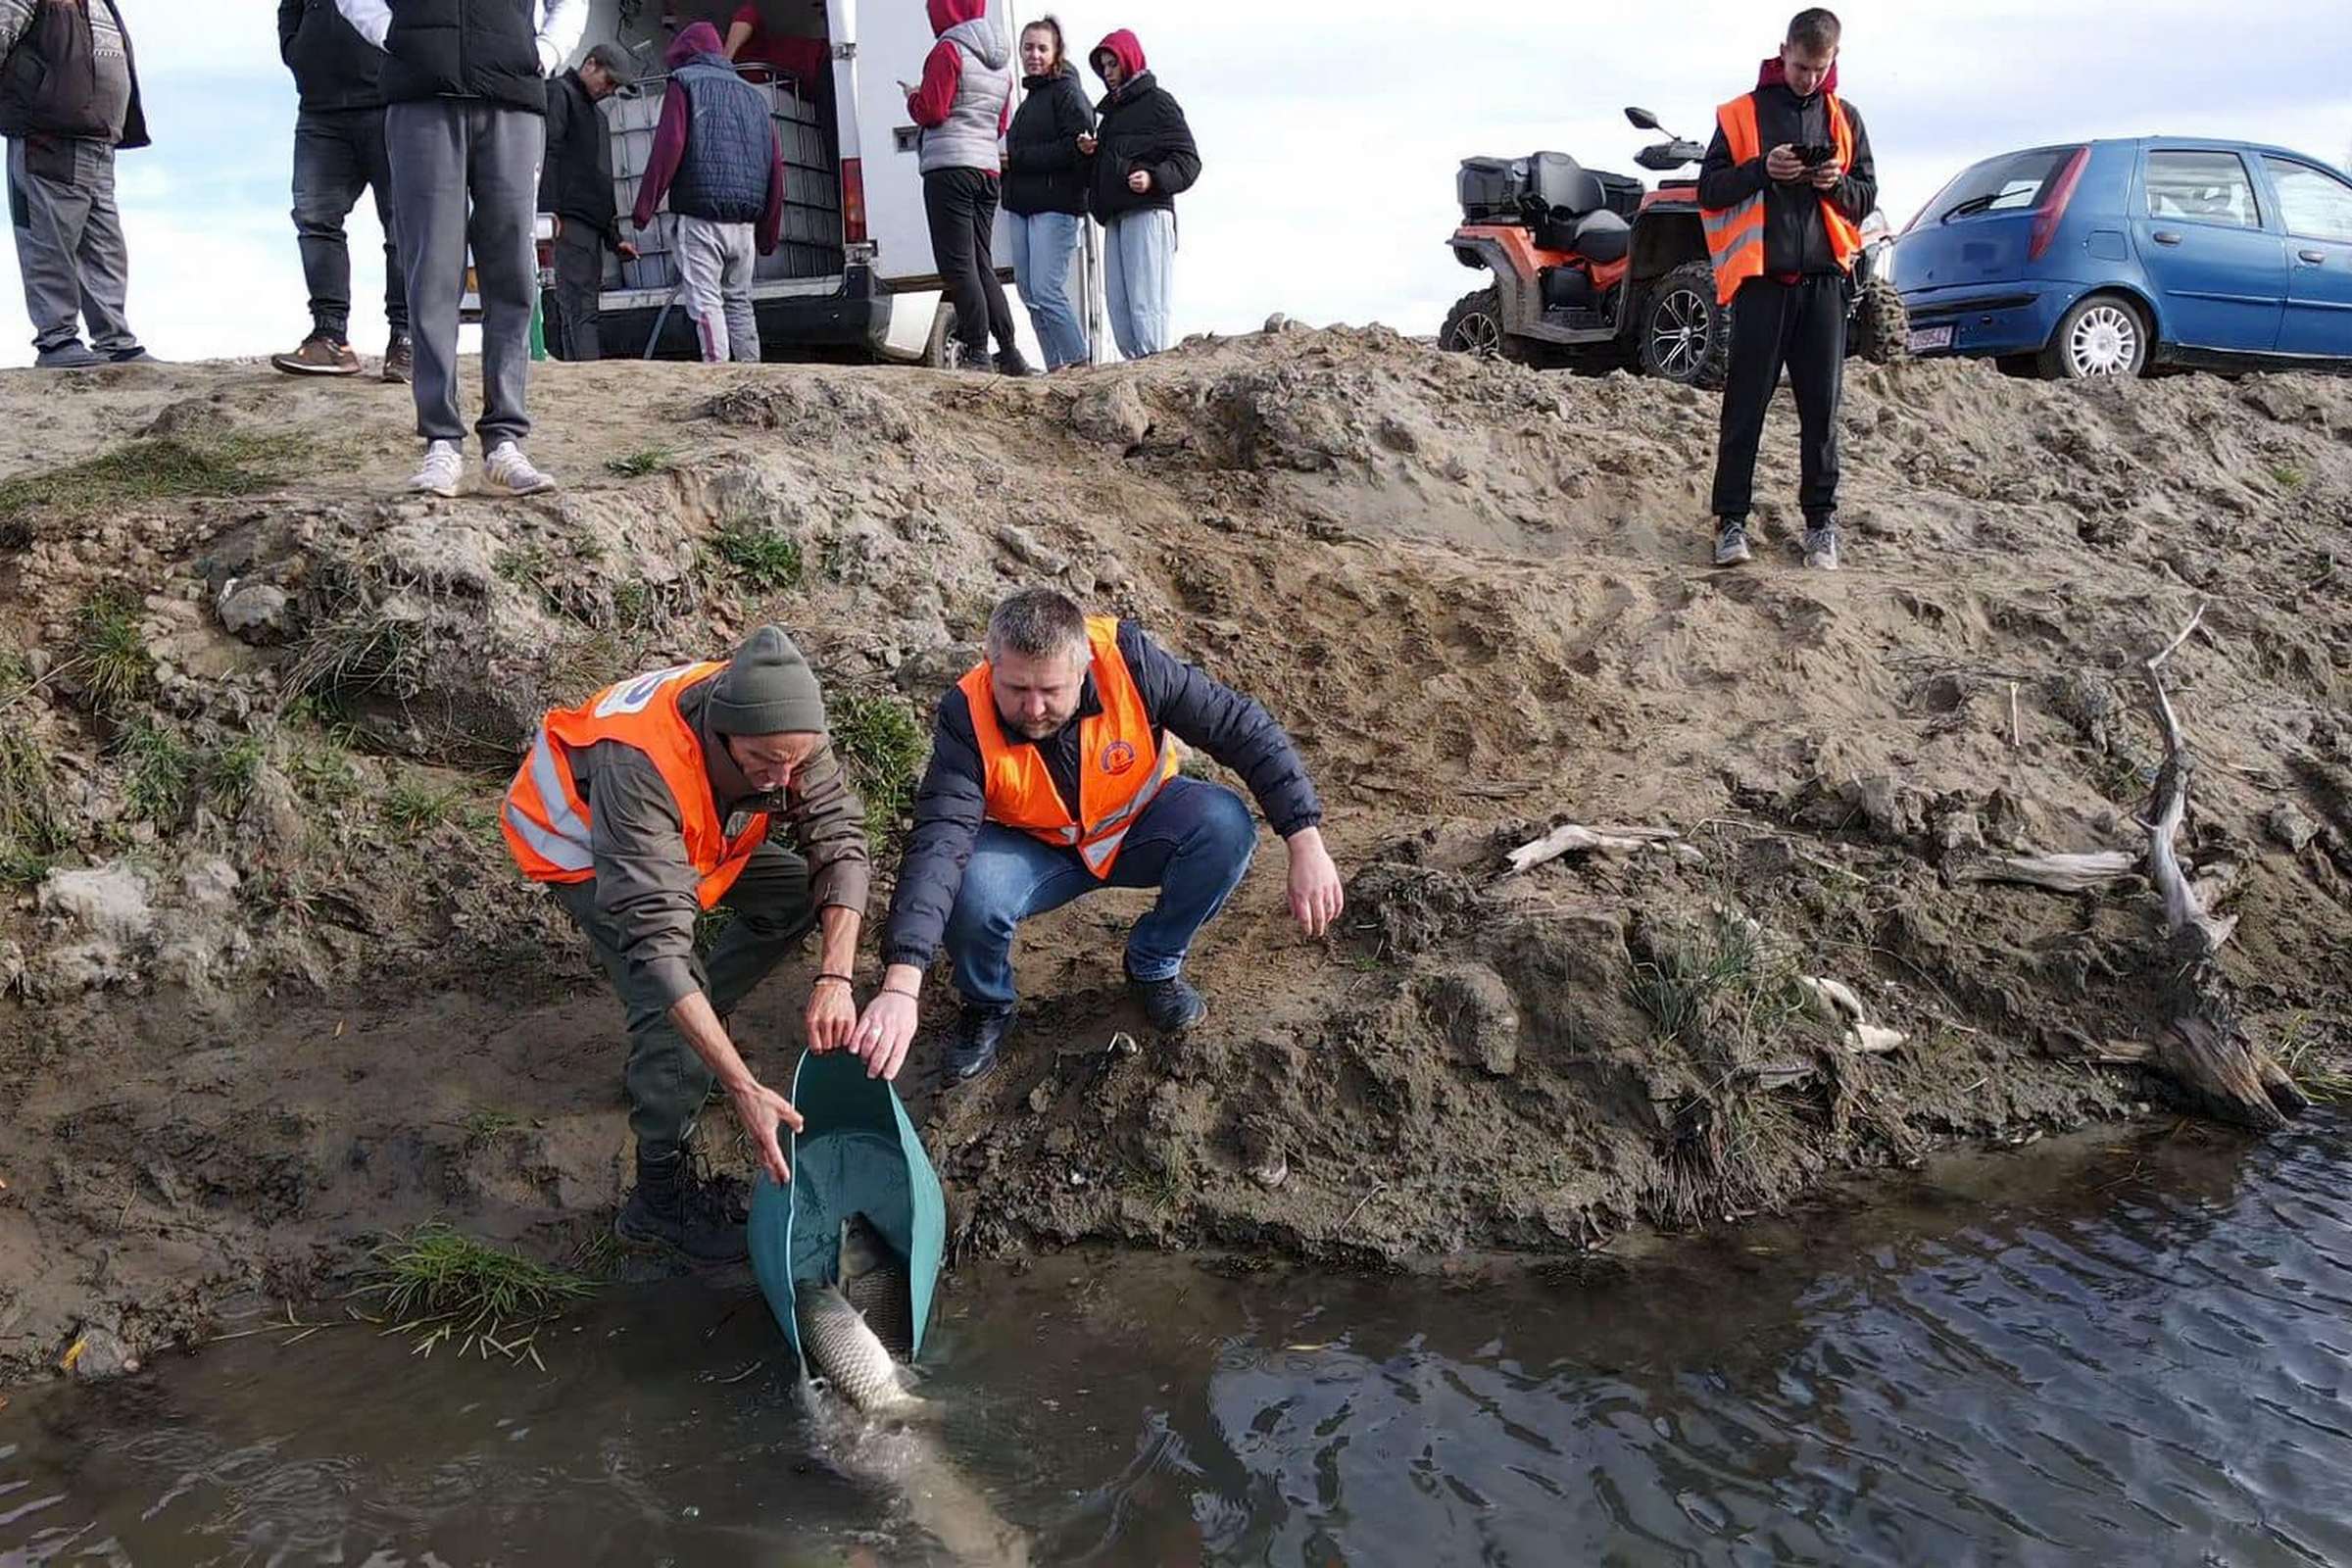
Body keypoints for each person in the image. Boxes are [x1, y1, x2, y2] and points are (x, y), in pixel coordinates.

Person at [848, 589, 1347, 1087]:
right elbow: (940, 841)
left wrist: (1305, 841)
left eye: (1051, 690)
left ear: (1083, 666)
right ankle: (987, 1004)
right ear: (990, 665)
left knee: (1224, 825)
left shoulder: (1130, 663)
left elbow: (1239, 727)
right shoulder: (965, 716)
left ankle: (1154, 962)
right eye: (1017, 688)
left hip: (1140, 831)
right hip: (1036, 851)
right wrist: (901, 984)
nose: (1034, 708)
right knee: (969, 888)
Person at [501, 627, 873, 1264]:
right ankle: (658, 1201)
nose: (786, 782)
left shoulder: (782, 718)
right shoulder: (639, 765)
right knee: (670, 1016)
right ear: (725, 737)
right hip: (585, 846)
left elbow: (839, 841)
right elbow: (660, 950)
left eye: (798, 761)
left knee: (792, 895)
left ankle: (698, 1033)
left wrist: (834, 978)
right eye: (767, 765)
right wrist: (742, 1086)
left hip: (692, 839)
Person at [334, 0, 583, 499]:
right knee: (431, 274)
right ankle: (442, 442)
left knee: (512, 271)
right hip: (421, 96)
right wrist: (393, 34)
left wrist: (548, 50)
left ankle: (505, 440)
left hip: (512, 95)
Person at [1698, 7, 1876, 572]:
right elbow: (1709, 191)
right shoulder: (1741, 113)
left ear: (1834, 60)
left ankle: (1821, 526)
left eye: (1818, 68)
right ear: (1783, 52)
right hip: (1761, 283)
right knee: (1744, 406)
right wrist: (1760, 170)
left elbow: (1866, 197)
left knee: (1821, 412)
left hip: (1825, 283)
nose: (1808, 78)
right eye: (1801, 67)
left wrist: (1836, 184)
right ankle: (1731, 524)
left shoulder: (1845, 117)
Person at [0, 0, 150, 369]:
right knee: (49, 243)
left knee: (104, 248)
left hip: (98, 141)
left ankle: (115, 342)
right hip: (47, 138)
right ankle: (57, 340)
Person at [633, 22, 787, 365]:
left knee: (706, 303)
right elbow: (775, 168)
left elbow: (668, 147)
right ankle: (754, 379)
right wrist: (768, 234)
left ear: (684, 56)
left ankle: (717, 378)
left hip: (701, 219)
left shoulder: (684, 83)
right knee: (739, 303)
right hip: (745, 224)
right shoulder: (755, 97)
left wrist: (643, 209)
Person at [273, 0, 411, 382]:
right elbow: (290, 8)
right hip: (320, 109)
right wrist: (295, 50)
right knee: (315, 220)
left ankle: (407, 338)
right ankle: (330, 337)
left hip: (390, 103)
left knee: (404, 227)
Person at [905, 0, 1027, 375]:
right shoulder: (1000, 63)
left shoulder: (948, 50)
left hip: (950, 169)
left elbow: (934, 111)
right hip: (987, 171)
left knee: (958, 266)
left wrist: (913, 97)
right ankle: (1008, 351)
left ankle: (976, 350)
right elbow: (1000, 125)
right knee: (981, 263)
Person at [1080, 28, 1197, 362]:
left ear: (1129, 61)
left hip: (1148, 213)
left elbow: (1188, 160)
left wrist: (1153, 178)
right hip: (1115, 216)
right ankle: (1136, 368)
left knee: (1147, 304)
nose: (1108, 73)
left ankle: (1153, 367)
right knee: (1119, 304)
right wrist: (1090, 154)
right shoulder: (1110, 116)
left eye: (1112, 64)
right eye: (1103, 66)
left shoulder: (1159, 103)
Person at [1002, 16, 1093, 371]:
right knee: (1028, 293)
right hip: (1021, 206)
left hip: (1055, 206)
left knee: (1047, 290)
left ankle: (1079, 364)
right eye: (1028, 47)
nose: (1034, 55)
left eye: (1042, 48)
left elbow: (1077, 147)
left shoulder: (1068, 92)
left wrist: (1017, 160)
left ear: (1056, 53)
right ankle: (1056, 368)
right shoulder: (1029, 101)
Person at [540, 42, 638, 363]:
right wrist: (548, 210)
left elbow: (601, 179)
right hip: (568, 219)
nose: (609, 91)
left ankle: (579, 375)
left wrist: (615, 237)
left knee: (580, 308)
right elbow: (548, 152)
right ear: (590, 65)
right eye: (608, 82)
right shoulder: (559, 94)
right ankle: (585, 375)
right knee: (579, 309)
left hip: (586, 224)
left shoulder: (597, 116)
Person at [722, 1, 828, 95]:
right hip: (808, 80)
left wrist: (723, 61)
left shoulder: (739, 48)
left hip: (819, 59)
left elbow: (747, 14)